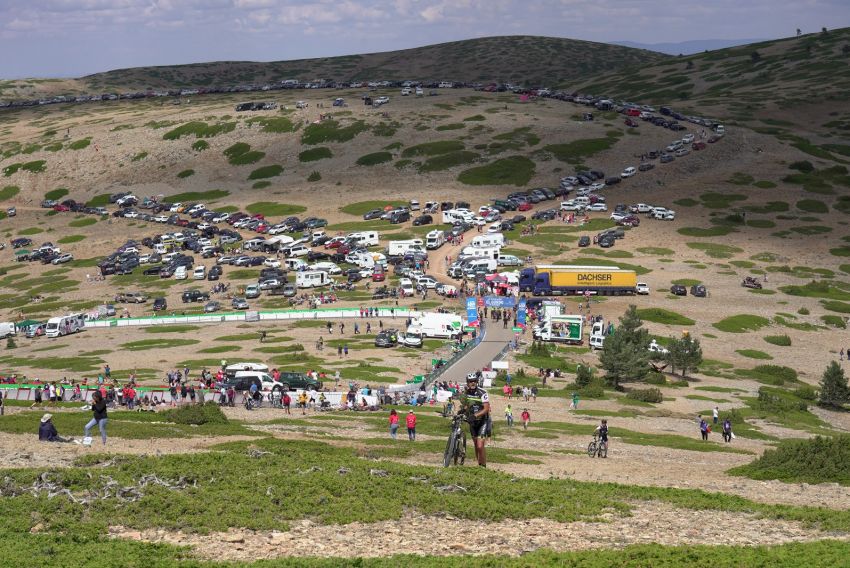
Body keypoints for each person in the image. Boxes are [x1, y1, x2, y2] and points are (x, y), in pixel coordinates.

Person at [461, 374, 491, 467]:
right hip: (473, 422)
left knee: (480, 445)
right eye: (470, 381)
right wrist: (462, 412)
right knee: (475, 445)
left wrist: (475, 415)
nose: (473, 383)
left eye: (474, 381)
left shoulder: (482, 392)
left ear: (477, 381)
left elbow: (486, 408)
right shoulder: (466, 393)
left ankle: (484, 466)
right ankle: (479, 464)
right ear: (467, 383)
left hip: (483, 421)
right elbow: (466, 406)